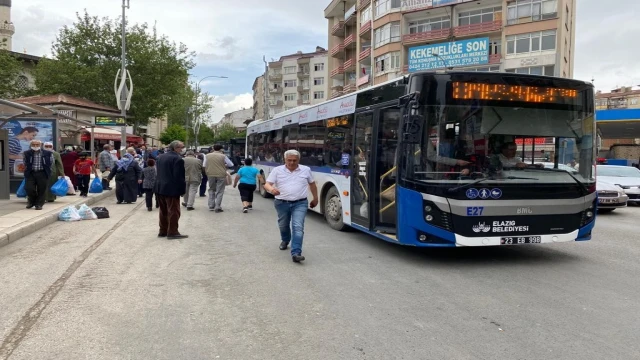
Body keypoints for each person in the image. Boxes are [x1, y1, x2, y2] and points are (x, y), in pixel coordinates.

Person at [263, 150, 319, 263]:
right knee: (283, 224)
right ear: (285, 159)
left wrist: (315, 198)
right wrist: (272, 189)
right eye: (289, 160)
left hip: (300, 203)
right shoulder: (277, 170)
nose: (292, 163)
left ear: (299, 160)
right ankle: (285, 240)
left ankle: (296, 253)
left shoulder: (305, 170)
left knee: (298, 227)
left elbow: (312, 184)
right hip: (281, 203)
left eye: (294, 160)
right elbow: (267, 184)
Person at [154, 140, 187, 239]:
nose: (183, 149)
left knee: (163, 210)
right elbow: (179, 177)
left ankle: (163, 230)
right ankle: (173, 232)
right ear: (176, 148)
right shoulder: (178, 159)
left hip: (160, 187)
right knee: (173, 211)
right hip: (171, 189)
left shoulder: (160, 157)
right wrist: (182, 190)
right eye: (182, 147)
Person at [23, 140, 53, 210]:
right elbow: (25, 162)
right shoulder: (27, 153)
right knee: (29, 188)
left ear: (40, 145)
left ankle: (39, 204)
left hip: (42, 173)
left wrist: (47, 171)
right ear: (31, 145)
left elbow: (51, 163)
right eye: (33, 145)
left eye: (37, 145)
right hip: (31, 173)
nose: (35, 146)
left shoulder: (47, 153)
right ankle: (32, 201)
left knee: (42, 189)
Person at [204, 144, 234, 212]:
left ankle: (211, 205)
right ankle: (217, 206)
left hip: (210, 174)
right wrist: (224, 164)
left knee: (211, 189)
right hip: (221, 174)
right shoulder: (223, 156)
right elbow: (231, 164)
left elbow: (204, 165)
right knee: (220, 190)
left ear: (213, 149)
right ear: (221, 149)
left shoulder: (207, 155)